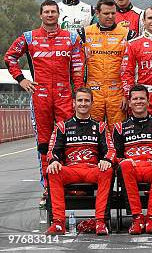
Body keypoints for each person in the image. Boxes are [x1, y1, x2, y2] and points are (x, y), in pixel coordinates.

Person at [4, 0, 85, 195]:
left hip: (64, 95)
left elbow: (78, 68)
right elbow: (10, 57)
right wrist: (21, 80)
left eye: (53, 12)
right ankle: (48, 187)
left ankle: (70, 184)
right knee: (44, 142)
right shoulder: (29, 37)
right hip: (40, 96)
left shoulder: (71, 37)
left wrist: (78, 93)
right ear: (40, 15)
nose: (50, 15)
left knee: (69, 139)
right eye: (46, 12)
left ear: (58, 14)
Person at [45, 87, 114, 236]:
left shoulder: (100, 126)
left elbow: (110, 150)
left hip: (92, 169)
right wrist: (54, 161)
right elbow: (52, 151)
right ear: (73, 103)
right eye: (80, 100)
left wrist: (107, 160)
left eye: (86, 100)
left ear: (92, 103)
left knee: (108, 170)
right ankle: (58, 222)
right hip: (71, 170)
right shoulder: (62, 126)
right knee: (53, 170)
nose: (83, 104)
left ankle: (100, 221)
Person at [113, 85, 152, 235]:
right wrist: (123, 161)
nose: (138, 101)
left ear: (148, 101)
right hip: (131, 168)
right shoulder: (120, 127)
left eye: (142, 98)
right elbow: (116, 156)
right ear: (130, 102)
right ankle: (137, 218)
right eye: (135, 99)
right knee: (124, 165)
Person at [78, 0, 137, 125]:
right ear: (97, 13)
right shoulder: (84, 33)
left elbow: (131, 68)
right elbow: (78, 67)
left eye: (113, 13)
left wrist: (127, 95)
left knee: (117, 133)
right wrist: (80, 94)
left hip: (117, 93)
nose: (110, 16)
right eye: (106, 13)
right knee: (92, 131)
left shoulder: (128, 34)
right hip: (93, 92)